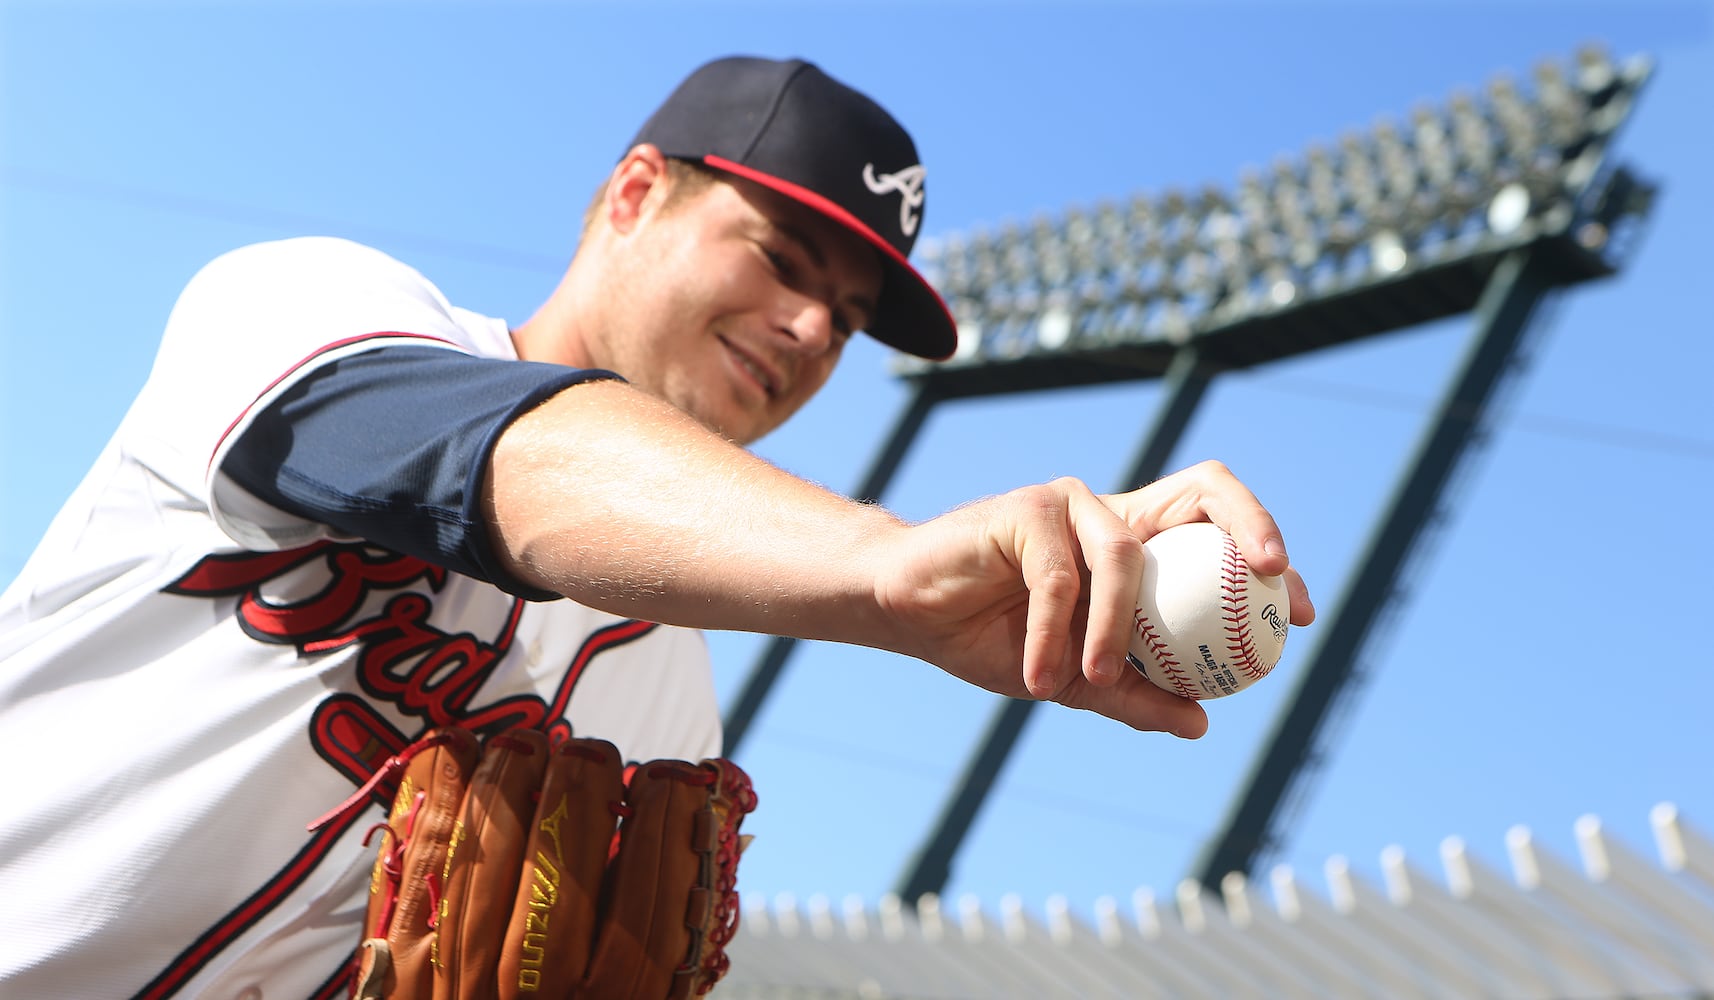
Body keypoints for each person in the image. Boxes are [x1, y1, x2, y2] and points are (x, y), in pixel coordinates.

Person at [0, 55, 1313, 997]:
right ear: (633, 196)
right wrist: (882, 567)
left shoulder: (666, 695)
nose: (811, 328)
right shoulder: (308, 307)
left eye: (848, 318)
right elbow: (503, 458)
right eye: (782, 258)